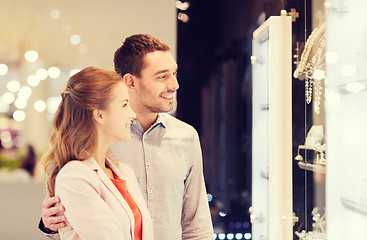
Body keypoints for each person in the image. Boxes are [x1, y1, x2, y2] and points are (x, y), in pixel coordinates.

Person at [40, 34, 214, 239]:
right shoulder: (96, 143)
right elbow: (67, 222)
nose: (174, 84)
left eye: (174, 73)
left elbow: (197, 226)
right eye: (162, 76)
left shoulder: (186, 137)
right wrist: (50, 225)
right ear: (131, 81)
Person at [41, 66, 153, 240]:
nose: (132, 114)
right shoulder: (74, 176)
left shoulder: (123, 172)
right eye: (124, 105)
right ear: (99, 115)